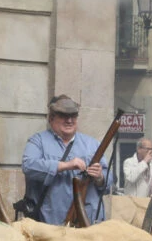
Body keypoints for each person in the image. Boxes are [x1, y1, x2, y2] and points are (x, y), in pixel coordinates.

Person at [21, 95, 109, 225]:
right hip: (50, 221)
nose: (69, 120)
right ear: (51, 118)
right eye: (63, 115)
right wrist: (65, 165)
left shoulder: (92, 144)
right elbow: (28, 166)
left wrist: (100, 177)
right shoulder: (38, 141)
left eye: (73, 116)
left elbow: (109, 180)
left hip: (88, 222)